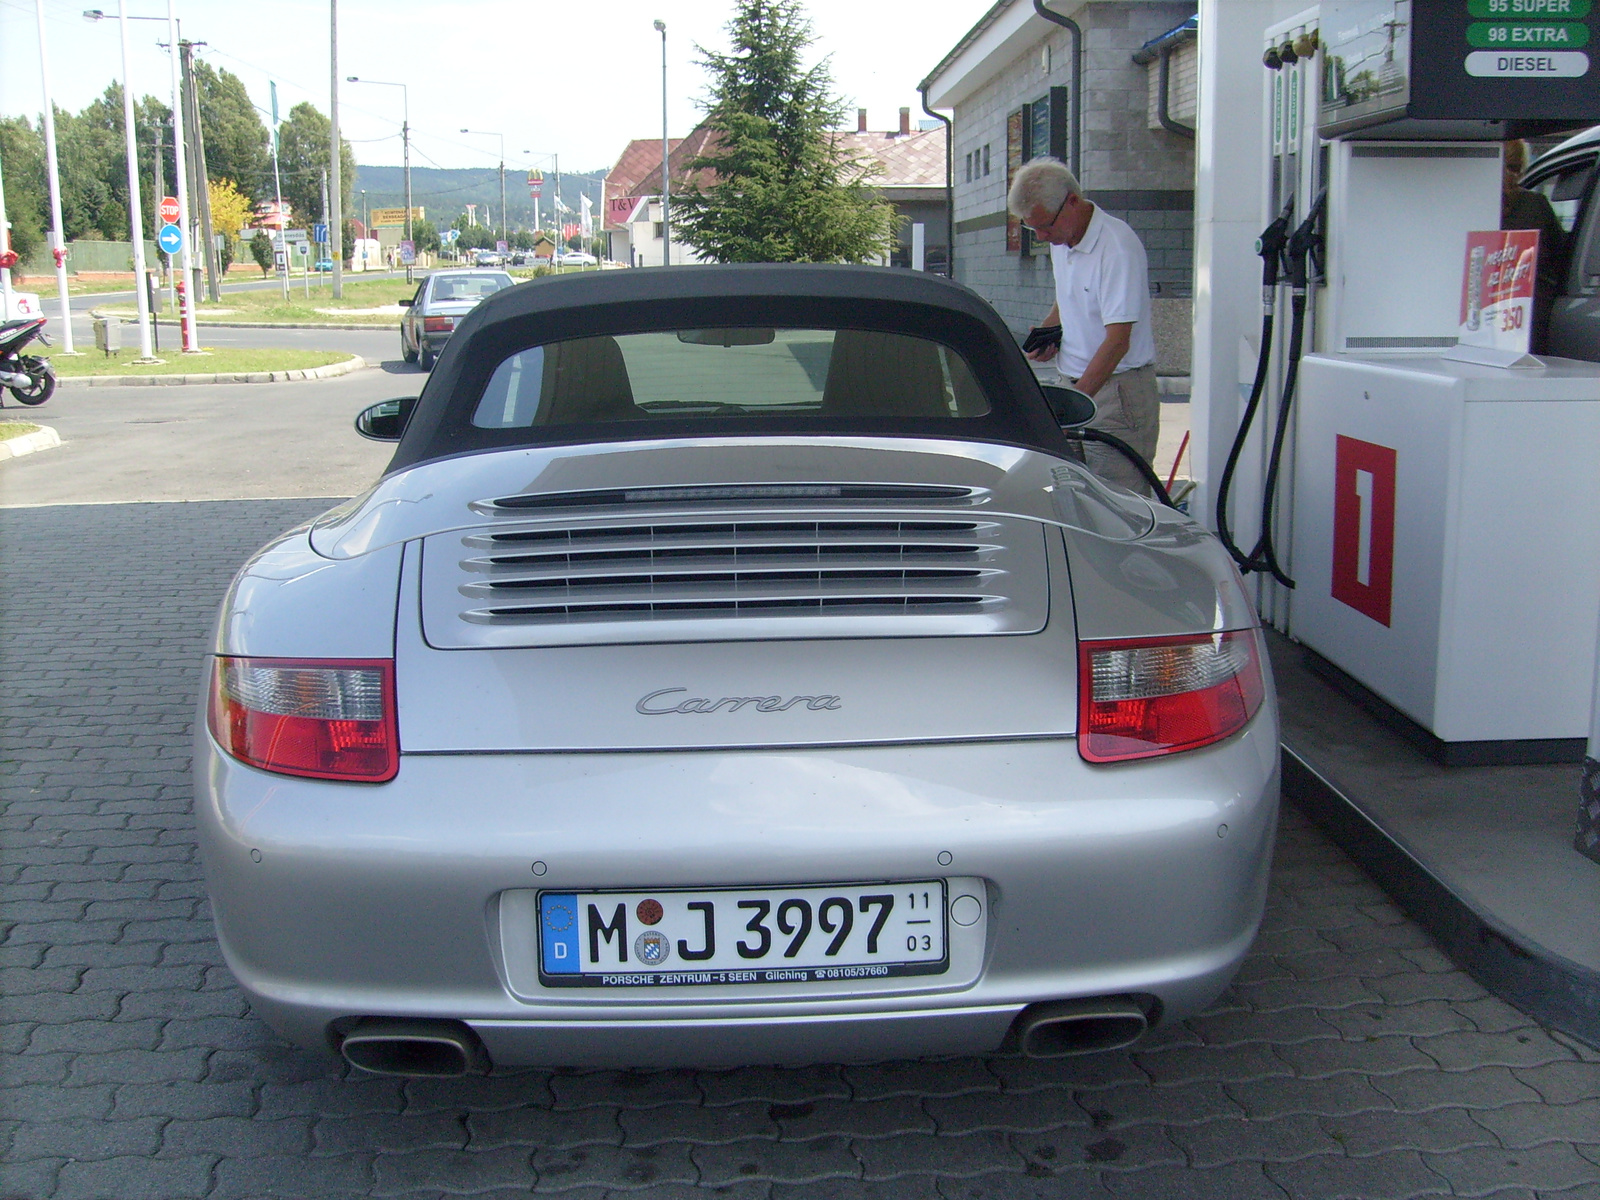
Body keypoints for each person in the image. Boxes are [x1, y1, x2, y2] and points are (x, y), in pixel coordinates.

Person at [1008, 158, 1159, 494]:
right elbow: (1068, 296)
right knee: (1074, 501)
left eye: (1046, 226)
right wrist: (1049, 333)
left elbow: (1118, 341)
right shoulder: (1063, 239)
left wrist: (1074, 404)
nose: (1044, 237)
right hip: (1074, 385)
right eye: (1034, 230)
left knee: (1118, 506)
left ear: (1072, 202)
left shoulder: (1117, 247)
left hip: (1116, 394)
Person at [1501, 139, 1565, 355]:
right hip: (1533, 321)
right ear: (1520, 167)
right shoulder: (1536, 206)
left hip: (1484, 319)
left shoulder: (1469, 204)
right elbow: (1564, 259)